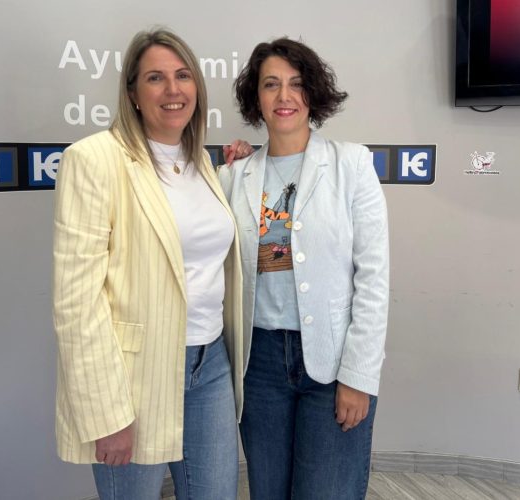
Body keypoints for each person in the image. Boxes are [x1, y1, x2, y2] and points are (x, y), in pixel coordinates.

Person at [52, 28, 252, 500]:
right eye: (155, 78)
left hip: (211, 366)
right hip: (132, 379)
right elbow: (76, 303)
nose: (172, 90)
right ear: (133, 94)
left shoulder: (201, 162)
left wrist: (236, 167)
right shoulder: (94, 160)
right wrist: (106, 414)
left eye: (183, 76)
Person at [218, 38, 390, 499]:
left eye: (296, 84)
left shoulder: (352, 165)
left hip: (331, 363)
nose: (284, 96)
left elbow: (373, 279)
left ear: (312, 92)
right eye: (270, 84)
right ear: (256, 97)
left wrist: (358, 376)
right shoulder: (233, 176)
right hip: (259, 365)